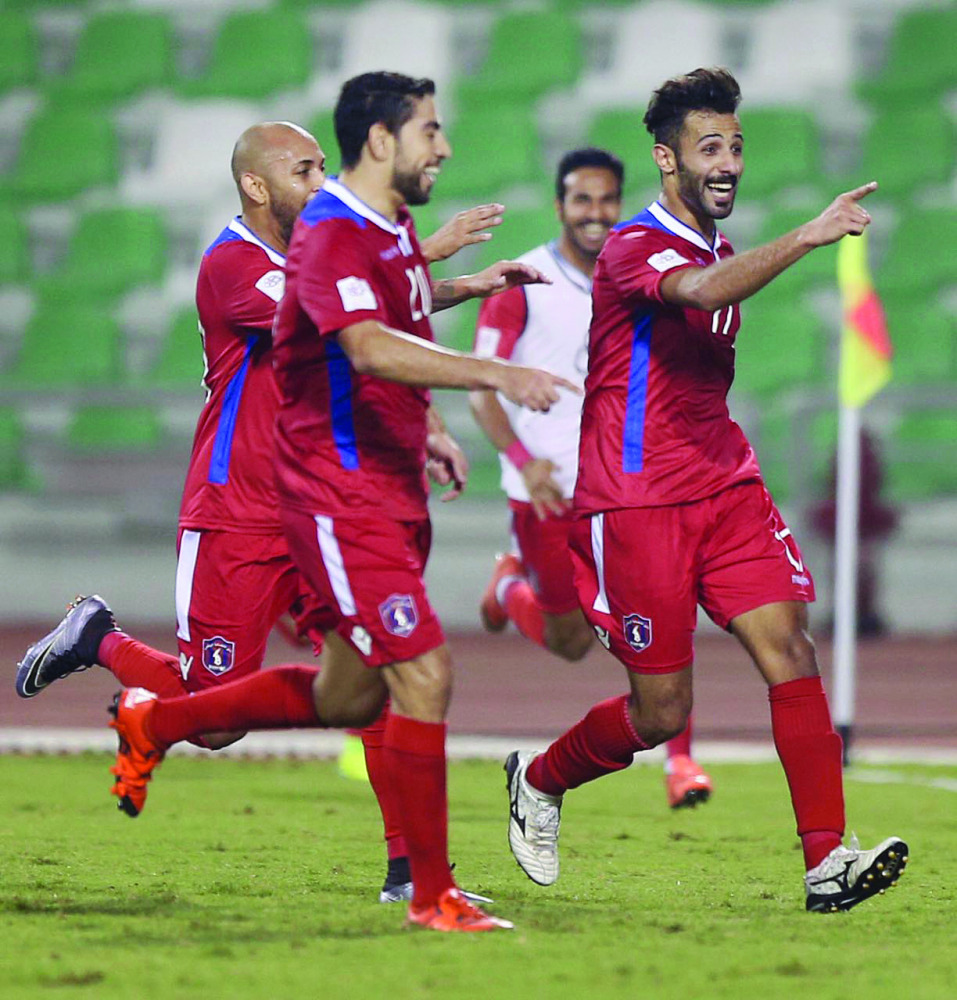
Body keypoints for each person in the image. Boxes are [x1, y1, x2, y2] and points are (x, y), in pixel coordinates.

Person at [75, 71, 577, 933]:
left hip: (335, 493)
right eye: (300, 170)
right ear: (258, 184)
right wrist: (483, 348)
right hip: (251, 501)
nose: (443, 148)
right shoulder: (240, 262)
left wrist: (425, 420)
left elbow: (372, 323)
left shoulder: (368, 234)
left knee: (365, 689)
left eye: (318, 166)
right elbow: (354, 333)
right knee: (383, 676)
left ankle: (409, 875)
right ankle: (108, 651)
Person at [503, 67, 908, 913]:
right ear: (666, 159)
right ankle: (539, 780)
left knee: (788, 649)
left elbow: (712, 287)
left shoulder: (720, 246)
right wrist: (806, 236)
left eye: (735, 147)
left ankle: (824, 861)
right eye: (709, 148)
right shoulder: (633, 248)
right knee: (659, 713)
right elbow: (693, 292)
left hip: (723, 485)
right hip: (636, 503)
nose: (727, 163)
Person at [470, 147, 713, 810]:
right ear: (559, 207)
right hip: (543, 495)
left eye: (607, 199)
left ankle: (682, 763)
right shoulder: (525, 281)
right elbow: (479, 389)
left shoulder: (636, 271)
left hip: (621, 486)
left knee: (659, 612)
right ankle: (509, 587)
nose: (596, 213)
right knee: (570, 641)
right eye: (582, 200)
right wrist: (524, 464)